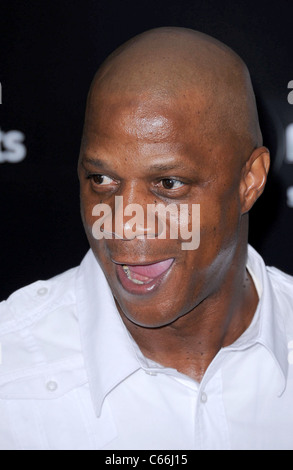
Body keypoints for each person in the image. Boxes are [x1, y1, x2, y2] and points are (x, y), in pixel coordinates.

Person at [1, 27, 293, 451]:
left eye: (168, 183)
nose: (124, 222)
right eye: (101, 179)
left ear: (249, 182)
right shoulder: (10, 372)